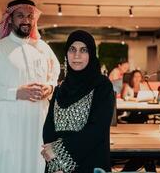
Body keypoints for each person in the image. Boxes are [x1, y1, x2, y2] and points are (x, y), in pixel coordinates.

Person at [0, 0, 60, 173]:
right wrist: (15, 93)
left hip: (37, 128)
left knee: (37, 166)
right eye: (20, 16)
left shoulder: (43, 48)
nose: (26, 20)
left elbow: (55, 71)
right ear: (10, 19)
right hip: (8, 130)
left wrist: (50, 87)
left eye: (30, 16)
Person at [41, 30, 114, 172]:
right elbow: (49, 129)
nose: (77, 55)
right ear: (66, 54)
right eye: (72, 49)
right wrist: (57, 165)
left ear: (91, 54)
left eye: (83, 50)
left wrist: (58, 152)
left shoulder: (102, 86)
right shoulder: (60, 88)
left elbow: (96, 130)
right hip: (57, 169)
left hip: (90, 164)